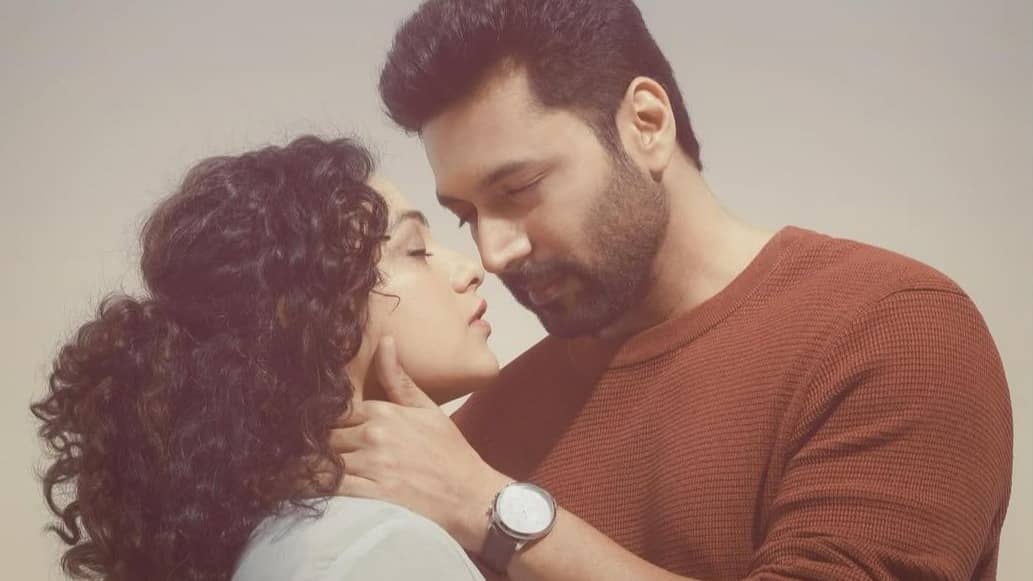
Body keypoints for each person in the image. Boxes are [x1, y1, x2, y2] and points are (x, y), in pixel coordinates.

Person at [328, 1, 1014, 580]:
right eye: (466, 215)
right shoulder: (483, 431)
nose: (493, 251)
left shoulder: (893, 332)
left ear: (646, 125)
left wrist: (499, 514)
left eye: (520, 188)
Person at [30, 135, 492, 581]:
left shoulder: (291, 537)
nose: (470, 268)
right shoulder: (381, 548)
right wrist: (496, 514)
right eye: (416, 250)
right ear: (314, 316)